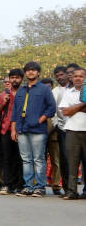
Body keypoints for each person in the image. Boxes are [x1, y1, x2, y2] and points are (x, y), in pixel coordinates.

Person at [11, 61, 56, 197]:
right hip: (22, 129)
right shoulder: (21, 91)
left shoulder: (44, 89)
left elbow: (51, 108)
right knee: (26, 159)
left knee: (38, 159)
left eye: (33, 70)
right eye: (28, 70)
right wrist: (13, 130)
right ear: (25, 73)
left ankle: (40, 187)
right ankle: (28, 186)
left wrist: (40, 120)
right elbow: (15, 111)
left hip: (37, 129)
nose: (30, 72)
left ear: (38, 73)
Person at [58, 67, 86, 200]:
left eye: (81, 76)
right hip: (72, 130)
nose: (78, 78)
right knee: (72, 163)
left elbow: (70, 110)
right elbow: (65, 112)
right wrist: (83, 104)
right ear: (72, 78)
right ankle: (72, 191)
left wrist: (73, 107)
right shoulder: (68, 92)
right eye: (76, 76)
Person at [52, 65, 69, 196]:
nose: (59, 77)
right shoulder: (55, 91)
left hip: (80, 128)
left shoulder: (76, 88)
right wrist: (57, 125)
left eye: (61, 74)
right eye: (57, 75)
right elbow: (53, 111)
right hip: (63, 130)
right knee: (64, 159)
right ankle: (68, 189)